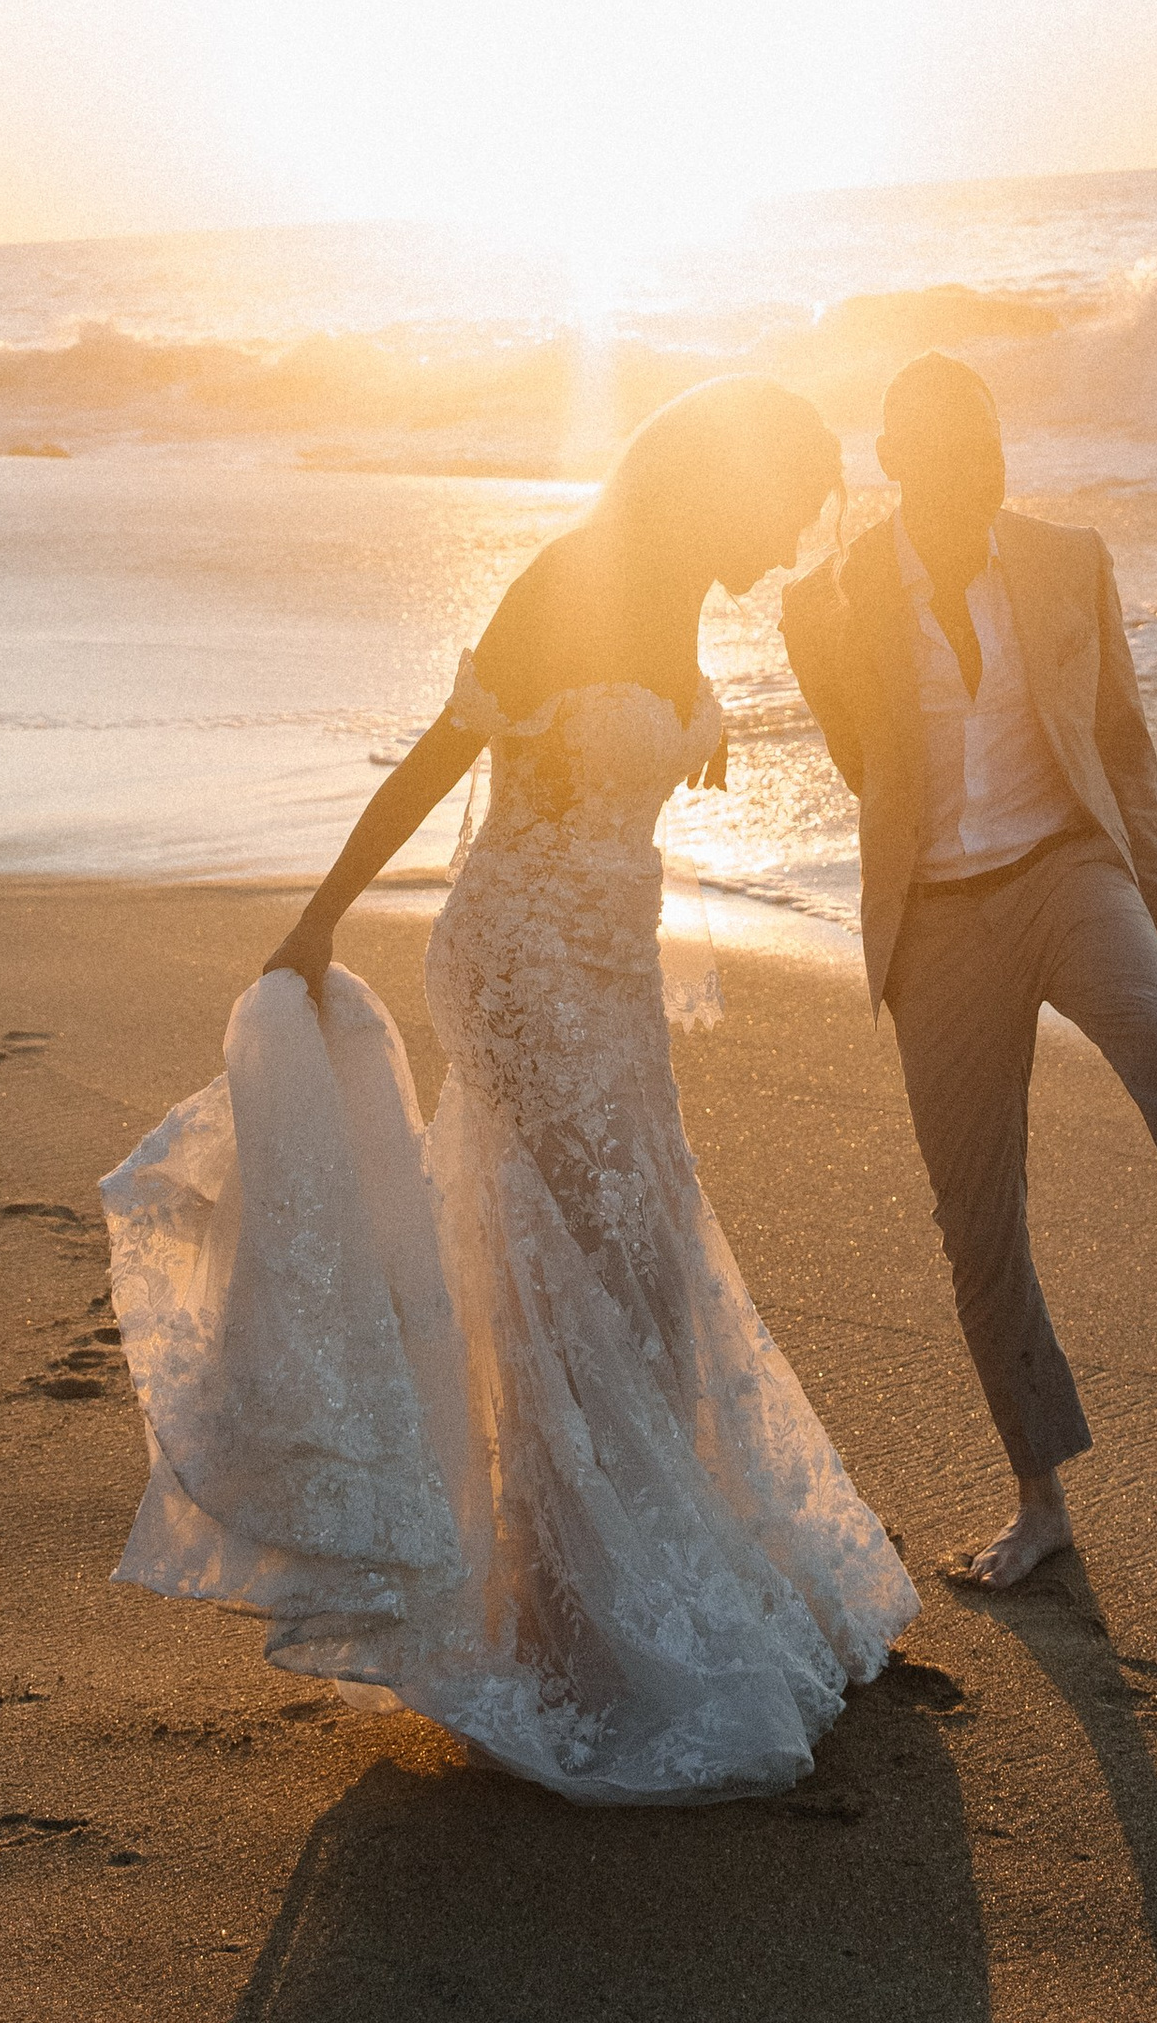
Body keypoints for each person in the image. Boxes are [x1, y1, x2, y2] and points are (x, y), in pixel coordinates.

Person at [101, 375, 916, 1804]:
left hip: (609, 971)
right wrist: (320, 917)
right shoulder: (566, 580)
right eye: (784, 509)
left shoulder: (682, 602)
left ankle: (644, 1579)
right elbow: (444, 756)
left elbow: (611, 740)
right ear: (724, 485)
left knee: (644, 1269)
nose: (791, 543)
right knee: (567, 1268)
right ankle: (563, 1621)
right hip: (523, 965)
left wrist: (688, 725)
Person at [781, 350, 1157, 1590]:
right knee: (976, 1221)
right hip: (935, 922)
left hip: (1067, 870)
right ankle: (1039, 1504)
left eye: (986, 453)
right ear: (895, 466)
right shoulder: (836, 596)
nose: (973, 478)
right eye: (944, 458)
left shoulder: (1065, 561)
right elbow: (860, 765)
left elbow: (1121, 746)